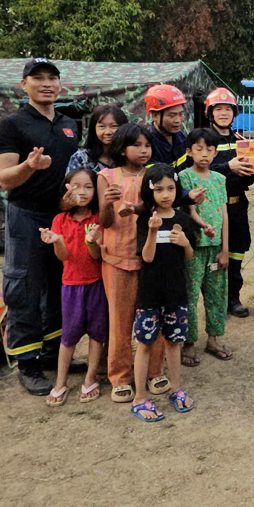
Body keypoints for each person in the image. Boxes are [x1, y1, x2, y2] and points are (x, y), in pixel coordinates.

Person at [0, 58, 81, 395]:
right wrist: (29, 166)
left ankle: (52, 353)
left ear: (60, 86)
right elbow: (5, 180)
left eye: (53, 79)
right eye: (38, 78)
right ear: (24, 84)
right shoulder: (11, 125)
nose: (47, 84)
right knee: (24, 287)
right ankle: (26, 361)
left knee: (62, 285)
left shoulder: (69, 124)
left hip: (62, 216)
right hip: (25, 215)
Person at [97, 123, 168, 404]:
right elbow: (104, 222)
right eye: (137, 145)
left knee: (153, 316)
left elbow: (163, 206)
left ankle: (154, 370)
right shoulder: (107, 176)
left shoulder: (155, 174)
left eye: (147, 145)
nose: (143, 150)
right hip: (117, 256)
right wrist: (105, 203)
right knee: (120, 319)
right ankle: (121, 376)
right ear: (122, 148)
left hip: (150, 255)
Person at [130, 165, 199, 422]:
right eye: (159, 189)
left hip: (176, 293)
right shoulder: (144, 220)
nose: (166, 194)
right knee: (145, 344)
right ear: (150, 192)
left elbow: (188, 256)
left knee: (174, 342)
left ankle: (176, 389)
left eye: (170, 188)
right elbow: (146, 257)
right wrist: (151, 231)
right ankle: (139, 397)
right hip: (149, 293)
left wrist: (185, 243)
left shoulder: (183, 219)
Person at [40, 168, 108, 406]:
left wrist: (92, 242)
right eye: (76, 186)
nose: (82, 191)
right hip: (70, 285)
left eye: (88, 186)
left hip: (97, 284)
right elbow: (62, 257)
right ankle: (60, 382)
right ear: (66, 188)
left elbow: (97, 256)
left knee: (97, 334)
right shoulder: (60, 220)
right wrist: (57, 240)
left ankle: (90, 378)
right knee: (68, 337)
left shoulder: (98, 218)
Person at [179, 128, 232, 365]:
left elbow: (224, 214)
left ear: (215, 152)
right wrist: (204, 226)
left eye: (209, 150)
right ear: (189, 151)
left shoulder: (220, 180)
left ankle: (214, 339)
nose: (204, 154)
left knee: (217, 294)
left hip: (216, 246)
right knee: (190, 295)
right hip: (194, 247)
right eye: (199, 149)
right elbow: (189, 211)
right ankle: (188, 343)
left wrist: (225, 248)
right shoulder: (184, 177)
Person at [204, 88, 254, 318]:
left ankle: (233, 299)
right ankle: (215, 301)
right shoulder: (203, 140)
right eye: (219, 109)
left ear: (234, 113)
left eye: (228, 109)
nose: (224, 113)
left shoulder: (241, 141)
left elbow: (248, 173)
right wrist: (228, 167)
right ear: (210, 113)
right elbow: (199, 170)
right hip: (211, 206)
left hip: (237, 205)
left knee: (236, 251)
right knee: (214, 254)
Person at [67, 104, 128, 173]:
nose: (108, 132)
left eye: (114, 126)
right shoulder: (81, 158)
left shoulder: (129, 157)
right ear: (94, 129)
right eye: (102, 126)